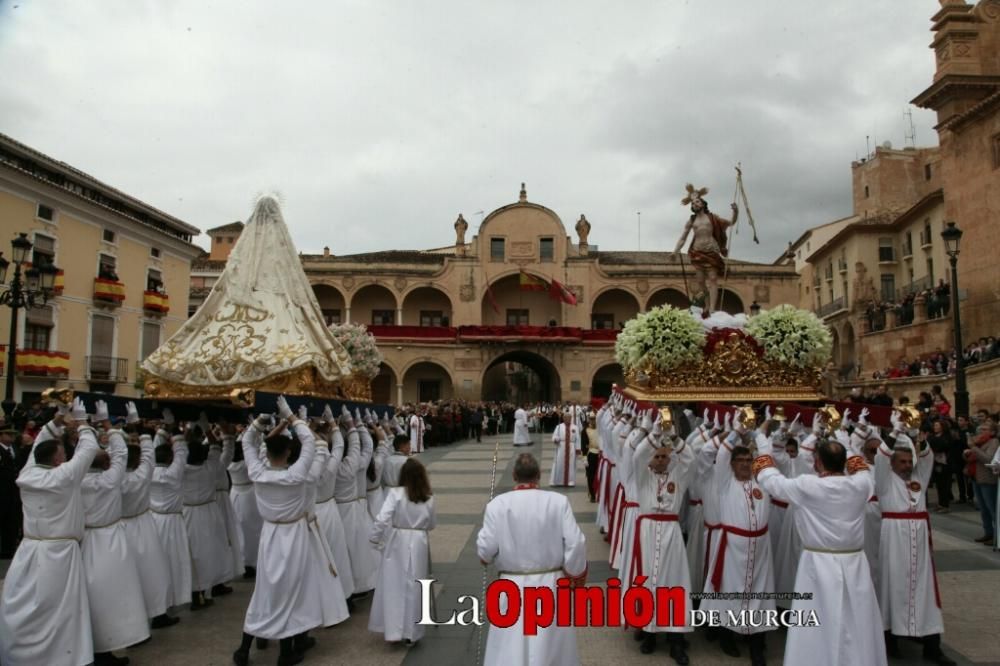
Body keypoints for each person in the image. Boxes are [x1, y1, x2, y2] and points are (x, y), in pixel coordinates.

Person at [754, 432, 887, 666]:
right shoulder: (861, 485)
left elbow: (771, 481)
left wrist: (763, 447)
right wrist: (846, 441)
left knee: (817, 622)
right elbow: (861, 468)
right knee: (857, 619)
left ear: (817, 462)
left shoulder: (808, 485)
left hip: (817, 564)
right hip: (854, 563)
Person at [233, 397, 331, 666]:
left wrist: (260, 422)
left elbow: (247, 444)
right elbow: (311, 442)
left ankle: (244, 649)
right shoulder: (295, 475)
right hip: (294, 535)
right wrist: (292, 417)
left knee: (265, 589)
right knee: (292, 590)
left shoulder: (256, 472)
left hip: (270, 535)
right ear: (288, 453)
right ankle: (286, 651)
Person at [0, 400, 97, 666]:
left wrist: (57, 420)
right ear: (57, 458)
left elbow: (37, 450)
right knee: (60, 608)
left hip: (29, 550)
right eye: (62, 454)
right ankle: (60, 657)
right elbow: (89, 449)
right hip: (60, 553)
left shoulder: (26, 475)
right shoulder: (64, 476)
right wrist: (82, 422)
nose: (65, 457)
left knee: (30, 604)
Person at [477, 453, 586, 666]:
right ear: (538, 475)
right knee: (551, 645)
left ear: (515, 475)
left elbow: (486, 548)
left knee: (510, 643)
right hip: (552, 585)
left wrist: (485, 555)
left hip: (511, 585)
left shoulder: (497, 505)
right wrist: (575, 574)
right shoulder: (558, 501)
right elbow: (576, 542)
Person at [875, 418, 954, 665]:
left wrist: (916, 434)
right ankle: (890, 640)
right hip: (894, 540)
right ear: (892, 464)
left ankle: (933, 647)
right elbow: (879, 457)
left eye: (910, 461)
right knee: (892, 586)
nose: (908, 466)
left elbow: (928, 458)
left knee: (925, 590)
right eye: (903, 462)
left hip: (919, 542)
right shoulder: (885, 481)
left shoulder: (919, 479)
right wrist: (895, 432)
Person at [699, 409, 775, 665]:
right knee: (730, 593)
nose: (745, 463)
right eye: (740, 460)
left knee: (759, 594)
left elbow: (768, 456)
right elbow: (720, 454)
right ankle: (727, 635)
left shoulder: (763, 482)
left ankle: (757, 644)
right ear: (732, 464)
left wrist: (758, 433)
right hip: (732, 547)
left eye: (748, 460)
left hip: (760, 548)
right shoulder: (725, 482)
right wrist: (737, 431)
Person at [80, 401, 149, 665]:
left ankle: (92, 646)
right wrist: (109, 425)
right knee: (111, 597)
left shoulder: (74, 480)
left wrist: (92, 427)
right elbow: (119, 455)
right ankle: (107, 648)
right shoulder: (111, 481)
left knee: (89, 597)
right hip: (109, 542)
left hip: (85, 542)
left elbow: (103, 455)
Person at [627, 411, 695, 662]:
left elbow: (690, 460)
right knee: (647, 582)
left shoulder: (678, 477)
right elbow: (637, 456)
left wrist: (674, 439)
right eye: (657, 456)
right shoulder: (643, 476)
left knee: (674, 583)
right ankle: (649, 633)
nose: (661, 460)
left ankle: (676, 639)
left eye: (665, 457)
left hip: (671, 535)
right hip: (647, 533)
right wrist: (655, 434)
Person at [120, 402, 179, 629]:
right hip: (143, 526)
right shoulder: (140, 477)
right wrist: (145, 430)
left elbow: (144, 454)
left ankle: (133, 619)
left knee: (127, 577)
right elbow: (149, 455)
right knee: (154, 572)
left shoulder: (112, 478)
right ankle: (157, 613)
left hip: (118, 529)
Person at [369, 457, 436, 643]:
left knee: (394, 585)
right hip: (419, 541)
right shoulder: (428, 497)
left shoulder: (395, 494)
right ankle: (412, 632)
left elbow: (382, 518)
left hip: (397, 540)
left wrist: (375, 538)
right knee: (415, 585)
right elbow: (431, 524)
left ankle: (393, 630)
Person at [149, 413, 193, 612]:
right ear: (169, 458)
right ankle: (169, 600)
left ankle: (160, 601)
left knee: (156, 563)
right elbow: (182, 453)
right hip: (172, 524)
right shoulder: (173, 474)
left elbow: (152, 450)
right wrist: (176, 433)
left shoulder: (147, 472)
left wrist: (165, 426)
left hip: (153, 520)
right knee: (173, 562)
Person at [671, 184, 738, 313]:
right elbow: (683, 237)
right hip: (697, 252)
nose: (695, 204)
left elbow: (731, 222)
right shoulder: (691, 221)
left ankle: (712, 309)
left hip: (711, 251)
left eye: (697, 201)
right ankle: (706, 305)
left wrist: (735, 211)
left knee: (712, 279)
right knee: (701, 281)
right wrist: (675, 251)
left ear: (703, 203)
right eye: (693, 203)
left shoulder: (713, 218)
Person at [228, 428, 262, 579]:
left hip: (235, 495)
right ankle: (252, 561)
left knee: (239, 529)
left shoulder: (229, 464)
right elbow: (257, 449)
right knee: (253, 530)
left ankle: (243, 561)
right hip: (249, 495)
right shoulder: (246, 465)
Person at [965, 421, 998, 546]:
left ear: (992, 432)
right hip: (976, 477)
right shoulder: (979, 442)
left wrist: (973, 448)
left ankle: (997, 535)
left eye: (985, 429)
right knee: (983, 509)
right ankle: (988, 532)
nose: (981, 431)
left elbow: (988, 459)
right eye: (980, 429)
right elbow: (973, 458)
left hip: (987, 479)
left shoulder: (993, 442)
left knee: (992, 508)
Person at [0, 426, 22, 558]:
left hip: (13, 491)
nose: (12, 437)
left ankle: (8, 548)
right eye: (8, 434)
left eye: (13, 434)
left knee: (12, 520)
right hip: (2, 489)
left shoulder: (14, 449)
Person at [549, 409, 581, 487]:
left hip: (571, 447)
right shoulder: (559, 427)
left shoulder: (575, 427)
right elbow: (554, 436)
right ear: (563, 418)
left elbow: (578, 439)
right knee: (558, 463)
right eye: (566, 418)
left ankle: (570, 481)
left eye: (569, 418)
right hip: (561, 447)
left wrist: (578, 449)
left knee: (571, 464)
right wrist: (556, 439)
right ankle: (557, 481)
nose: (568, 419)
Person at [584, 414, 600, 502]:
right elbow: (583, 445)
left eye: (594, 419)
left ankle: (599, 493)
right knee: (591, 476)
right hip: (591, 454)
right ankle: (592, 494)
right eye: (591, 419)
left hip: (600, 455)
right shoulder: (585, 430)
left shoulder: (600, 430)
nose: (593, 421)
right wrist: (584, 458)